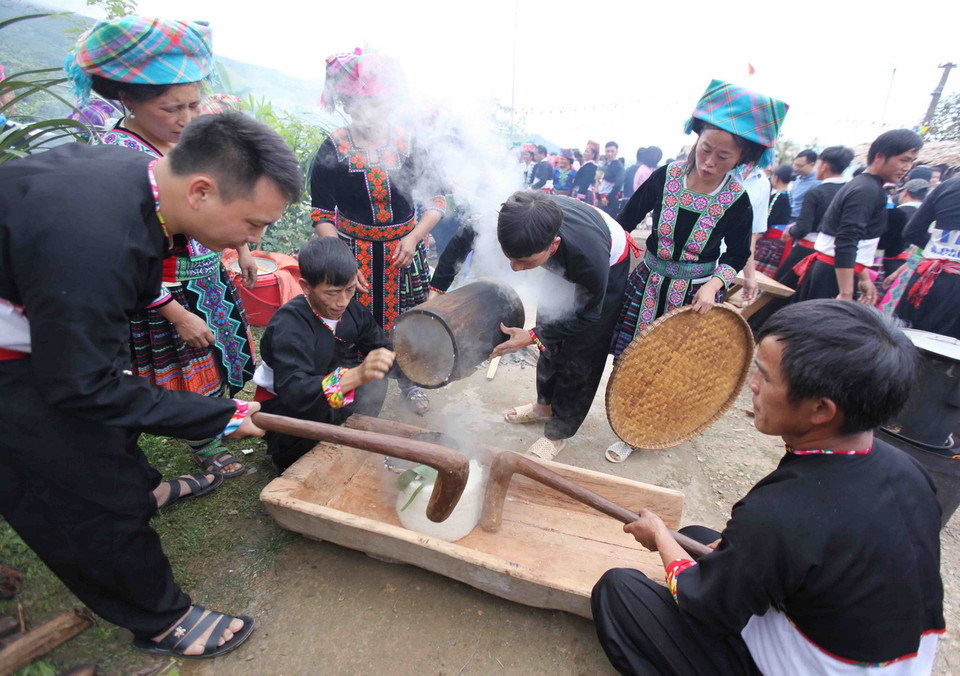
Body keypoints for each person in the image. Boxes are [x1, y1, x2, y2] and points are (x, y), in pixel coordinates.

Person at [0, 112, 302, 658]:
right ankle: (161, 619)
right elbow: (80, 386)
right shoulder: (91, 237)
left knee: (115, 437)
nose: (254, 240)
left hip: (47, 325)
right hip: (16, 357)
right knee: (89, 486)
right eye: (253, 224)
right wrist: (223, 415)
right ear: (202, 191)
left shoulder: (139, 178)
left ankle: (148, 489)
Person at [592, 300, 945, 675]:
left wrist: (660, 536)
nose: (752, 386)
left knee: (619, 592)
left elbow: (705, 606)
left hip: (817, 666)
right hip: (881, 653)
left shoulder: (781, 512)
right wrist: (733, 549)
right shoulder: (904, 468)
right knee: (697, 537)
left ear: (821, 410)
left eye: (765, 377)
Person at [64, 16, 258, 478]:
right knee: (189, 369)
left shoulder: (192, 138)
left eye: (193, 104)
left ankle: (225, 417)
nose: (186, 119)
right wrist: (174, 310)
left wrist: (243, 248)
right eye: (172, 109)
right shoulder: (120, 157)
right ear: (126, 98)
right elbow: (121, 255)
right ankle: (205, 441)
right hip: (161, 290)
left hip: (209, 274)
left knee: (220, 356)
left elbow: (223, 196)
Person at [607, 80, 786, 463]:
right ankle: (625, 424)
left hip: (695, 295)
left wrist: (714, 286)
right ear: (695, 138)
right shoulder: (664, 177)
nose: (709, 162)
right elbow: (624, 221)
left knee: (674, 364)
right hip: (648, 285)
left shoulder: (736, 199)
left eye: (724, 156)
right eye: (705, 149)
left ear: (741, 159)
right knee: (632, 357)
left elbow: (737, 254)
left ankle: (650, 428)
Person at [310, 48, 444, 415]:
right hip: (355, 255)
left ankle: (410, 381)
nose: (368, 112)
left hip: (405, 255)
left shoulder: (411, 143)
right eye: (358, 104)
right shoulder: (333, 149)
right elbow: (321, 213)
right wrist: (342, 261)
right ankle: (355, 385)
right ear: (345, 103)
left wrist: (414, 236)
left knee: (410, 321)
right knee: (350, 321)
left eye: (378, 103)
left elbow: (436, 201)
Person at [490, 192, 632, 460]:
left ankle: (558, 433)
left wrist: (531, 336)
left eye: (525, 262)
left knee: (581, 352)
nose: (516, 268)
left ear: (553, 246)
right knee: (548, 328)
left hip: (608, 263)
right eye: (511, 258)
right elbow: (467, 236)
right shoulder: (517, 216)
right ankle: (544, 406)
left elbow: (589, 315)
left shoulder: (589, 259)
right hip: (567, 250)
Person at [254, 238, 394, 470]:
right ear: (306, 287)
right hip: (286, 404)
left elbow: (384, 350)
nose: (342, 302)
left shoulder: (354, 312)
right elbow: (295, 393)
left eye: (350, 289)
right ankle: (289, 457)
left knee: (377, 378)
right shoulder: (288, 325)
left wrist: (429, 368)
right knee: (302, 455)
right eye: (332, 293)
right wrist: (357, 375)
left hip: (328, 389)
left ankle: (348, 437)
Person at [793, 129, 923, 304]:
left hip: (837, 270)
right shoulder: (867, 190)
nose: (907, 168)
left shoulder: (867, 185)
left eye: (911, 162)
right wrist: (846, 292)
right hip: (834, 273)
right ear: (880, 156)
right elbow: (846, 237)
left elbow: (857, 241)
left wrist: (864, 277)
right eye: (903, 160)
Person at [894, 176, 960, 339]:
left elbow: (911, 232)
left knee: (904, 341)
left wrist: (939, 251)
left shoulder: (948, 185)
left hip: (925, 279)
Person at [879, 178, 929, 277]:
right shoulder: (930, 216)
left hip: (891, 264)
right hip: (920, 265)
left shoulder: (895, 214)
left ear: (905, 192)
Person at [752, 164, 793, 277]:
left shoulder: (776, 196)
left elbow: (767, 219)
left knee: (757, 270)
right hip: (780, 240)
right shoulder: (789, 196)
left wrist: (755, 239)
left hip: (770, 240)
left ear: (776, 178)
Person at [789, 148, 820, 220]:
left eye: (800, 166)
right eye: (795, 165)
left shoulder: (817, 183)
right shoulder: (797, 178)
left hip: (798, 219)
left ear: (812, 164)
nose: (796, 168)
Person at [597, 141, 625, 216]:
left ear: (616, 152)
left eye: (612, 151)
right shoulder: (606, 164)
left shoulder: (619, 166)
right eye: (608, 151)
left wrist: (608, 198)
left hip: (610, 199)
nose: (610, 154)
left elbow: (618, 184)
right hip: (602, 197)